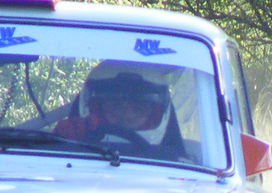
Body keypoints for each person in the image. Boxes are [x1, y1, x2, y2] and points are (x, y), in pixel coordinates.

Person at [50, 61, 188, 159]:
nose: (126, 115)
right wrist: (63, 140)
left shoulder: (180, 169)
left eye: (138, 109)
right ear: (93, 108)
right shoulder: (65, 151)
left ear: (157, 114)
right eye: (115, 106)